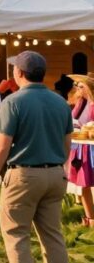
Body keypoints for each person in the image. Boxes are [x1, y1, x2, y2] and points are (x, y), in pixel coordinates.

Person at [0, 51, 73, 263]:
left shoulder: (13, 102)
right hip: (55, 174)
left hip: (24, 174)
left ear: (20, 72)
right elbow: (67, 143)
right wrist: (57, 166)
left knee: (16, 235)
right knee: (53, 235)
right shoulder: (60, 101)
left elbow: (1, 147)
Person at [67, 74, 94, 227]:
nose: (78, 88)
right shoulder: (80, 103)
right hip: (79, 145)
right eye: (77, 86)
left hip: (91, 145)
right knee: (83, 184)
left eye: (81, 86)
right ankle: (90, 219)